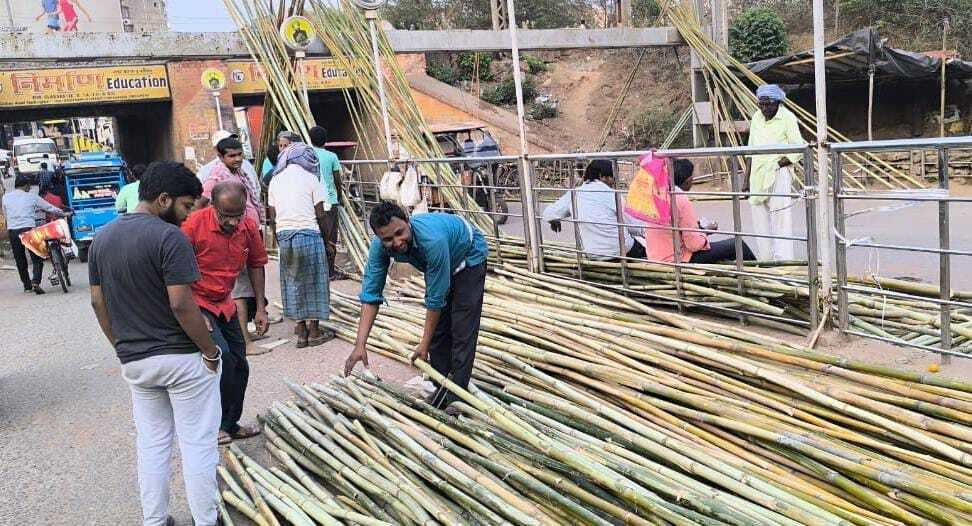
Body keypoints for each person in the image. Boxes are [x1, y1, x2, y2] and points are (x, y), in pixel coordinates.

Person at [88, 162, 222, 526]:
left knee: (152, 442)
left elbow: (98, 302)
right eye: (185, 205)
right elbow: (181, 303)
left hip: (137, 362)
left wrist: (122, 347)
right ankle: (206, 520)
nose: (187, 215)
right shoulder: (169, 238)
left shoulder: (102, 239)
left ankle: (155, 520)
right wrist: (210, 351)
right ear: (163, 199)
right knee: (197, 442)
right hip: (181, 360)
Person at [344, 202, 488, 411]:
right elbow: (371, 293)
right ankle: (441, 387)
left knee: (462, 329)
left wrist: (423, 345)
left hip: (468, 255)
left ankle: (459, 397)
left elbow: (435, 299)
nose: (397, 242)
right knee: (439, 333)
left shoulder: (432, 241)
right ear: (378, 238)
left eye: (399, 233)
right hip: (444, 258)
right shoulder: (380, 248)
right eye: (388, 239)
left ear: (408, 222)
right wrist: (360, 344)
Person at [181, 181, 268, 445]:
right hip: (197, 301)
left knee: (240, 362)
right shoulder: (192, 226)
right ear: (213, 206)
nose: (232, 222)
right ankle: (215, 425)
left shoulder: (248, 226)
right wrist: (194, 312)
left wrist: (261, 307)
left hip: (224, 301)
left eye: (237, 215)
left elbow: (256, 264)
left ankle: (231, 422)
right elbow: (173, 273)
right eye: (225, 215)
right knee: (222, 359)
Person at [197, 136, 266, 355]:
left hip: (247, 235)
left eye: (239, 154)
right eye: (231, 155)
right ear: (220, 156)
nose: (237, 159)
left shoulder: (241, 173)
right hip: (228, 240)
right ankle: (244, 340)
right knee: (238, 291)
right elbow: (201, 204)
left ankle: (244, 334)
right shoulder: (215, 178)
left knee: (246, 286)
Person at [267, 143, 334, 348]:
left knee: (293, 282)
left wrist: (280, 240)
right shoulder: (311, 179)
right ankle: (314, 331)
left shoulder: (275, 181)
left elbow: (273, 216)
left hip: (285, 236)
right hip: (309, 234)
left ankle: (301, 331)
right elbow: (321, 214)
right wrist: (327, 240)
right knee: (315, 282)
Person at [643, 159, 756, 264]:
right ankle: (759, 275)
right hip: (677, 258)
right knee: (737, 244)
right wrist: (704, 233)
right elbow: (693, 245)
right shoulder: (679, 198)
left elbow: (675, 229)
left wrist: (699, 230)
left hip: (656, 256)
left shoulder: (658, 194)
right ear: (688, 180)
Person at [744, 84, 805, 261]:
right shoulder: (756, 117)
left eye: (768, 104)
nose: (764, 108)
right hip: (757, 172)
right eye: (761, 104)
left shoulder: (787, 118)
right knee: (759, 218)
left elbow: (798, 148)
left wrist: (779, 163)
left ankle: (784, 261)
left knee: (780, 218)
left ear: (777, 102)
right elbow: (750, 149)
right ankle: (766, 259)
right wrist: (746, 179)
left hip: (778, 172)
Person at [542, 159, 646, 259]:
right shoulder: (612, 195)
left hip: (594, 254)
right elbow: (636, 227)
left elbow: (548, 213)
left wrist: (554, 219)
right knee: (645, 245)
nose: (614, 181)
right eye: (612, 177)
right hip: (622, 251)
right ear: (602, 176)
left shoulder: (574, 193)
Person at [3, 175, 67, 294]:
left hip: (13, 231)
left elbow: (6, 214)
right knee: (37, 257)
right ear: (26, 185)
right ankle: (35, 282)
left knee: (20, 260)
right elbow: (49, 207)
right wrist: (62, 213)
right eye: (28, 186)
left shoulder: (5, 198)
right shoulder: (31, 197)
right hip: (28, 230)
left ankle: (27, 286)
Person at [309, 125, 345, 280]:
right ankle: (330, 271)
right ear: (326, 140)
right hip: (329, 201)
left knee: (316, 236)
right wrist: (340, 197)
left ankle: (317, 271)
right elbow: (337, 179)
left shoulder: (307, 155)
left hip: (312, 202)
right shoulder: (331, 157)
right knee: (330, 237)